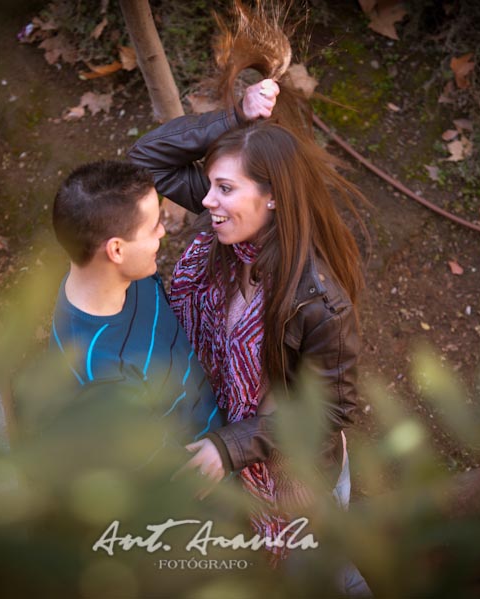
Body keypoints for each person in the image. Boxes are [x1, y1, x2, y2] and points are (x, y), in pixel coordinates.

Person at [129, 78, 368, 583]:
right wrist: (235, 117)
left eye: (226, 188)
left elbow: (333, 408)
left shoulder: (320, 302)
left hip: (293, 479)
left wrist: (230, 446)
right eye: (211, 185)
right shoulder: (231, 238)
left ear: (274, 198)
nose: (208, 202)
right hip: (229, 443)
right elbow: (148, 159)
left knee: (324, 577)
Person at [46, 160, 221, 449]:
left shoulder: (126, 275)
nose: (163, 232)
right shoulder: (102, 380)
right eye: (153, 227)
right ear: (116, 250)